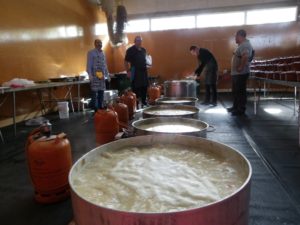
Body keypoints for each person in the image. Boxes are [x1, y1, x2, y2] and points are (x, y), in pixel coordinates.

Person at [228, 29, 253, 116]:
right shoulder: (241, 45)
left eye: (236, 36)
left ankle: (240, 109)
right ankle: (235, 107)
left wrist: (241, 67)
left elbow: (245, 56)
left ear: (240, 36)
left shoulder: (245, 45)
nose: (235, 38)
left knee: (240, 92)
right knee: (235, 91)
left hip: (241, 73)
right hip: (237, 73)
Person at [124, 36, 149, 108]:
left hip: (144, 71)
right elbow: (126, 61)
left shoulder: (144, 50)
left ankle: (144, 102)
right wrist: (128, 71)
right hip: (134, 71)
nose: (139, 42)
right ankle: (136, 104)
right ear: (135, 41)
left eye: (140, 40)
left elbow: (145, 60)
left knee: (144, 87)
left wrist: (148, 64)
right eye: (138, 40)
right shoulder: (130, 50)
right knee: (136, 88)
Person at [86, 39, 110, 111]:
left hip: (101, 75)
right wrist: (90, 75)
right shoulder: (91, 53)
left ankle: (100, 106)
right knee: (94, 92)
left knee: (101, 91)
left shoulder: (103, 53)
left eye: (100, 43)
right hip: (94, 75)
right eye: (98, 43)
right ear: (95, 44)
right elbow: (89, 64)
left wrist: (107, 75)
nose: (99, 44)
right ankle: (95, 108)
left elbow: (104, 65)